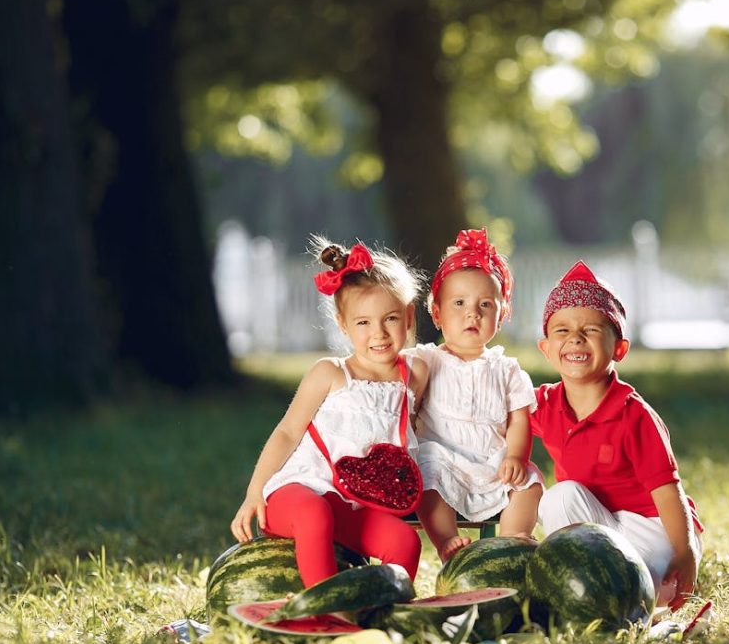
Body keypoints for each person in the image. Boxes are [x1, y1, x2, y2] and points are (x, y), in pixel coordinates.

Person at [230, 239, 429, 587]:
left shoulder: (414, 375)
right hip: (297, 493)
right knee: (314, 514)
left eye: (391, 318)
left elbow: (416, 428)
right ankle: (325, 613)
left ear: (409, 316)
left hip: (355, 505)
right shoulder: (331, 373)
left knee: (405, 542)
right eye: (363, 322)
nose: (378, 333)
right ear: (343, 324)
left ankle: (376, 613)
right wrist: (255, 491)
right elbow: (288, 432)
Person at [532, 261, 703, 609]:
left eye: (591, 330)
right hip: (601, 525)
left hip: (653, 529)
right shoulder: (543, 404)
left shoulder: (633, 414)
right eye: (561, 331)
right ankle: (586, 597)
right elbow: (493, 415)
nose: (575, 338)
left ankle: (637, 595)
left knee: (638, 594)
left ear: (619, 349)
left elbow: (669, 492)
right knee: (557, 499)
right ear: (546, 348)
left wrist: (685, 553)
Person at [410, 228, 544, 561]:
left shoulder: (507, 369)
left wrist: (515, 456)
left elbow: (519, 420)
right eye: (459, 303)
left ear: (502, 314)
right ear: (437, 314)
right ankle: (447, 542)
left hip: (493, 461)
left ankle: (514, 541)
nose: (473, 312)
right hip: (444, 457)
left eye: (486, 304)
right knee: (424, 468)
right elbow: (405, 403)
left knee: (531, 483)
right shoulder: (428, 360)